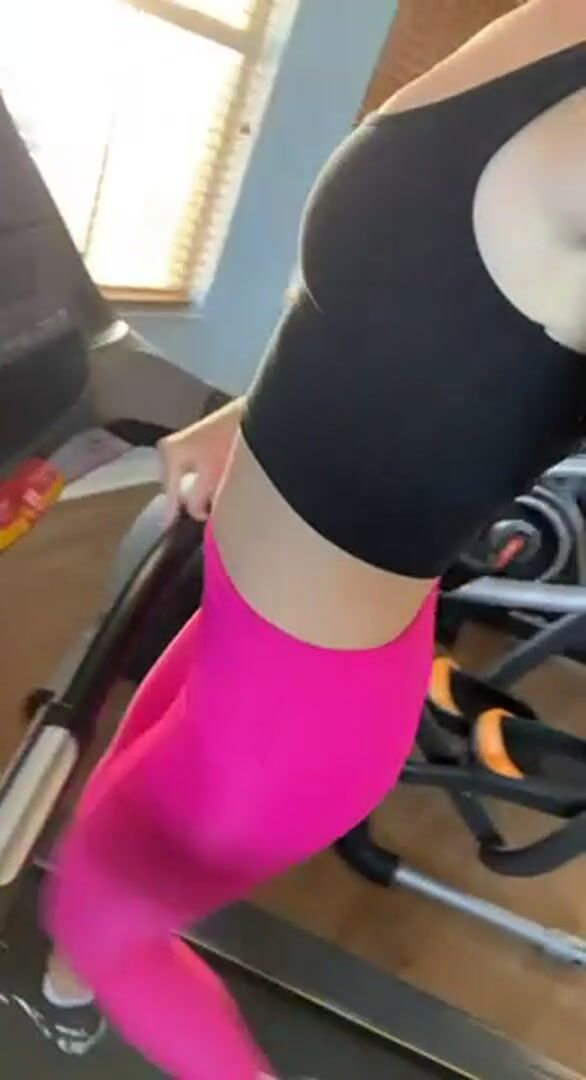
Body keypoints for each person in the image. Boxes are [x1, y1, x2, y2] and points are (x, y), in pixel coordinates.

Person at [37, 1, 586, 1077]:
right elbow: (414, 306)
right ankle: (63, 990)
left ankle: (85, 968)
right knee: (107, 824)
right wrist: (253, 413)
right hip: (251, 612)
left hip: (300, 702)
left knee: (106, 913)